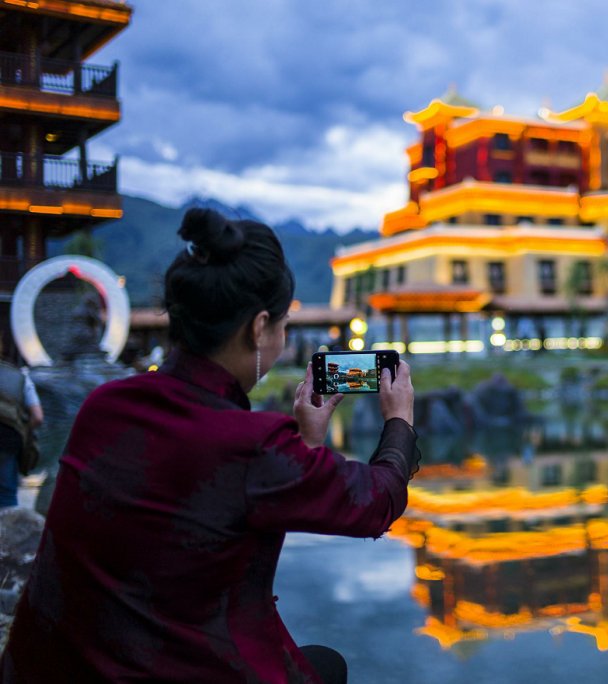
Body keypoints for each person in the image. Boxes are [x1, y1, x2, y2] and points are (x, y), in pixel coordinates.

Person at [1, 208, 420, 682]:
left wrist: (308, 441)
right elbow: (376, 501)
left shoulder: (105, 405)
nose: (282, 338)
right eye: (282, 326)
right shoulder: (250, 445)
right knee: (330, 665)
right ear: (259, 328)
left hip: (60, 666)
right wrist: (399, 419)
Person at [0, 360, 44, 508]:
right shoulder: (18, 376)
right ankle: (7, 530)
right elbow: (37, 417)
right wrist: (24, 430)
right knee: (7, 496)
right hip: (8, 440)